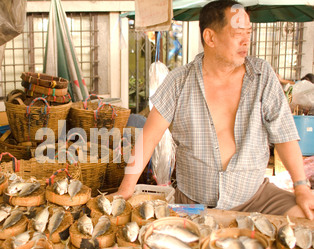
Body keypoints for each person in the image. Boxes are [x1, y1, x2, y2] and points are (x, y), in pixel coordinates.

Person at [115, 0, 314, 220]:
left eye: (249, 32)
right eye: (237, 33)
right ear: (210, 38)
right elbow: (148, 139)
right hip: (194, 202)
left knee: (305, 216)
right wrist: (126, 189)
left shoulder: (262, 75)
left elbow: (285, 136)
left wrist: (302, 187)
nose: (246, 40)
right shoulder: (179, 81)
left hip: (257, 197)